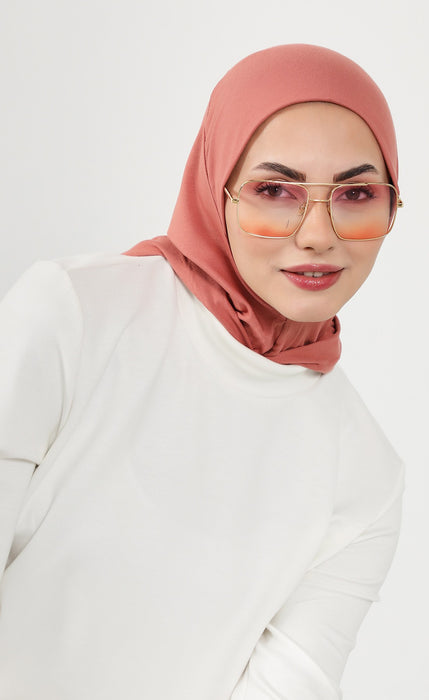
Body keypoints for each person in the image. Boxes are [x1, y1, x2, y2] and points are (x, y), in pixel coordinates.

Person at [0, 44, 404, 699]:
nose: (316, 234)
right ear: (215, 187)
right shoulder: (73, 316)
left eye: (356, 194)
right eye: (274, 190)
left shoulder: (364, 471)